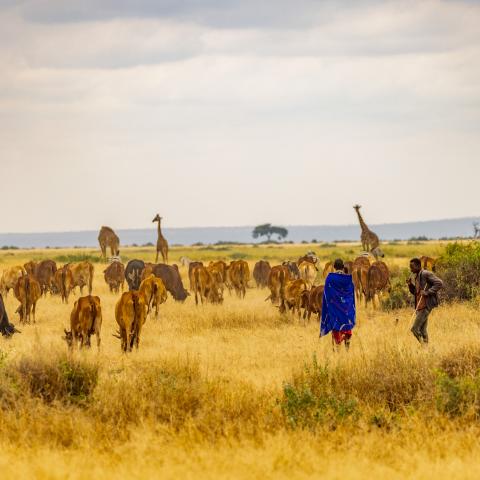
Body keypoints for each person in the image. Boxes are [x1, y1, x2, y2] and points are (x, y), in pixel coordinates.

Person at [320, 258, 356, 351]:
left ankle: (338, 352)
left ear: (334, 267)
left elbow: (327, 293)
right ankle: (347, 350)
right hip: (346, 309)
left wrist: (330, 305)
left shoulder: (330, 278)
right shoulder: (348, 279)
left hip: (335, 308)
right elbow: (351, 294)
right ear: (343, 267)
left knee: (336, 328)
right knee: (346, 327)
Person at [406, 257, 443, 344]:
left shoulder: (425, 273)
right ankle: (427, 350)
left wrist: (428, 292)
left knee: (414, 329)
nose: (411, 269)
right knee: (423, 330)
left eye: (412, 267)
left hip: (425, 306)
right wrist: (410, 285)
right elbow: (415, 292)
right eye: (410, 267)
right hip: (419, 306)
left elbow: (439, 283)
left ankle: (424, 347)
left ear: (418, 266)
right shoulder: (417, 276)